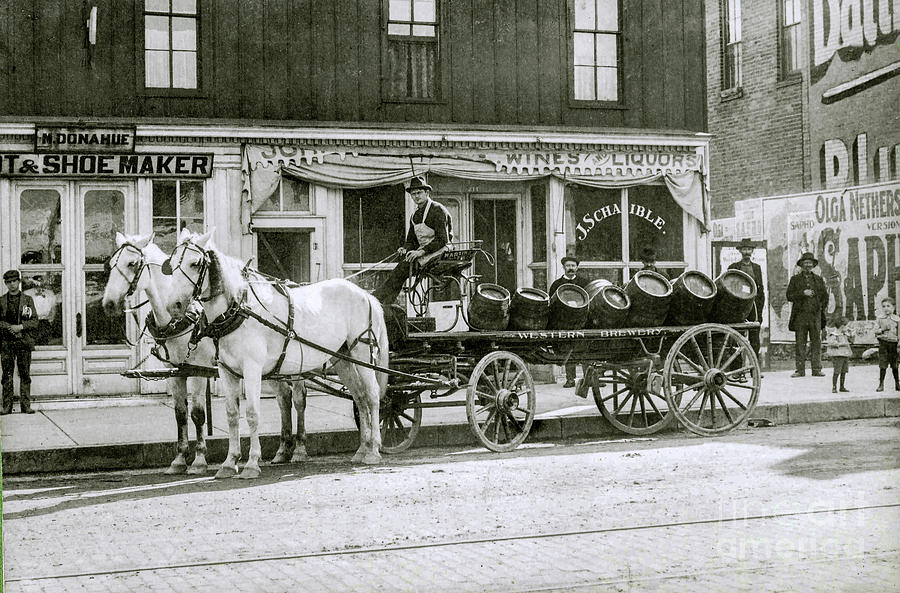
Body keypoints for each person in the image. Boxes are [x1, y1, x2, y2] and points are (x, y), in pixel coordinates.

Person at [372, 176, 451, 307]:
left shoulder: (437, 210)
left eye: (419, 193)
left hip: (440, 251)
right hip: (425, 252)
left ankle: (376, 299)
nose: (416, 196)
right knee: (402, 268)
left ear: (427, 193)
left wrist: (421, 252)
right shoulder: (415, 215)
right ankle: (386, 305)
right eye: (413, 194)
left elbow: (443, 239)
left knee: (403, 268)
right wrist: (405, 248)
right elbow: (411, 240)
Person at [0, 269, 40, 414]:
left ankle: (26, 406)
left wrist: (21, 327)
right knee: (7, 376)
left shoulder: (27, 300)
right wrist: (9, 327)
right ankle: (6, 407)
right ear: (5, 283)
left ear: (19, 281)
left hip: (23, 342)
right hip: (6, 344)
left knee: (25, 374)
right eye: (9, 282)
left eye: (14, 281)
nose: (12, 285)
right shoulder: (1, 301)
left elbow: (35, 321)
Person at [549, 256, 589, 388]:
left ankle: (588, 378)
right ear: (564, 267)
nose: (571, 268)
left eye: (573, 265)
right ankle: (570, 379)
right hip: (564, 323)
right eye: (568, 266)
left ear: (577, 267)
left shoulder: (584, 283)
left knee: (585, 351)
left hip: (581, 322)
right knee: (568, 351)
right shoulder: (556, 284)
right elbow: (551, 305)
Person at [786, 252, 828, 378]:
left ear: (813, 265)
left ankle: (816, 369)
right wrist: (802, 293)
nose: (808, 265)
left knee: (816, 342)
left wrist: (820, 308)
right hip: (800, 316)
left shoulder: (819, 280)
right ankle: (800, 370)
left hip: (815, 316)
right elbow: (789, 296)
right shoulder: (795, 279)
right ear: (802, 265)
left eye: (810, 263)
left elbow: (825, 297)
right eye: (805, 263)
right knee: (800, 343)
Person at [727, 238, 765, 359]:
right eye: (744, 249)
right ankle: (737, 369)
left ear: (752, 251)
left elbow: (761, 290)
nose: (747, 252)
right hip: (738, 307)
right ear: (740, 251)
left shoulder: (757, 268)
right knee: (737, 338)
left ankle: (755, 368)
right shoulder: (733, 267)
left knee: (754, 338)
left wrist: (759, 310)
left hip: (753, 307)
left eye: (749, 249)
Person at [874, 296, 900, 392]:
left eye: (888, 306)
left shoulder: (897, 320)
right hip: (883, 344)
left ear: (893, 307)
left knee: (895, 365)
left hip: (893, 344)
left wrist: (898, 345)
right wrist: (883, 329)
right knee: (883, 365)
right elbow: (875, 331)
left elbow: (899, 334)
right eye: (884, 306)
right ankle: (881, 384)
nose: (886, 308)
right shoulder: (880, 319)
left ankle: (897, 384)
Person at [824, 316, 853, 393]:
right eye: (846, 326)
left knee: (844, 371)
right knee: (837, 371)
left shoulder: (845, 334)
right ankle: (834, 387)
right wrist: (841, 344)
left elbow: (852, 341)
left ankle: (842, 386)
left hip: (845, 355)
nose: (847, 328)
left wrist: (851, 334)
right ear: (842, 326)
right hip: (838, 355)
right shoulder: (834, 334)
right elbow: (831, 343)